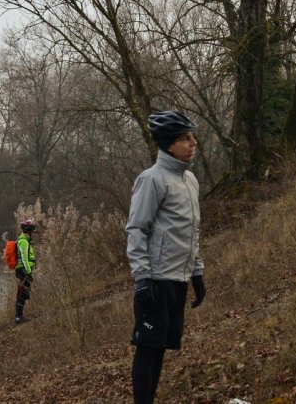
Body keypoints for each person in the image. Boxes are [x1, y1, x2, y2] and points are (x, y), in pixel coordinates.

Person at [126, 111, 206, 404]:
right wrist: (142, 277)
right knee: (148, 348)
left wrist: (197, 272)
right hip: (156, 280)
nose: (193, 143)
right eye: (186, 138)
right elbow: (136, 229)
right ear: (169, 145)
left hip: (178, 279)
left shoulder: (190, 180)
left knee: (160, 347)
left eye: (192, 137)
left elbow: (192, 231)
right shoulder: (151, 179)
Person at [14, 219, 37, 324]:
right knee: (21, 293)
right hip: (22, 271)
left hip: (24, 270)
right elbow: (24, 258)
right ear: (28, 231)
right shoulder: (23, 241)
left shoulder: (26, 240)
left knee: (23, 293)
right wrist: (28, 272)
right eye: (32, 230)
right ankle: (18, 318)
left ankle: (20, 316)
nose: (33, 233)